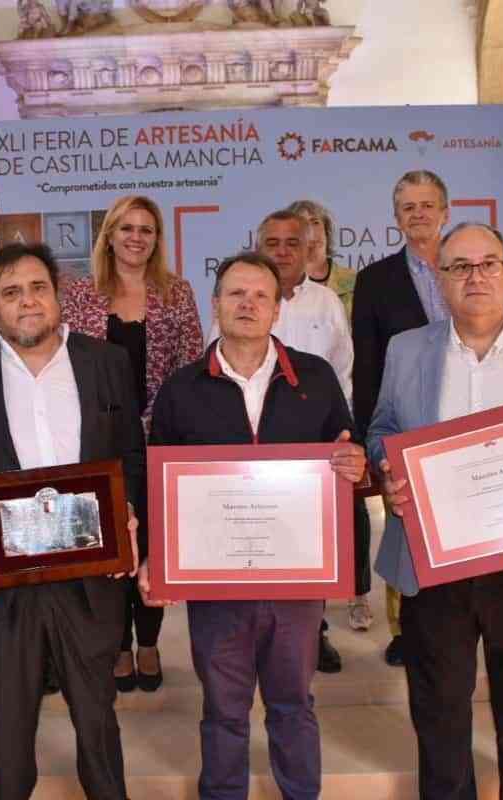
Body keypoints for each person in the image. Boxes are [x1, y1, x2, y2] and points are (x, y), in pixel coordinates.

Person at [0, 243, 145, 800]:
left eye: (38, 287)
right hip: (1, 582)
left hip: (89, 579)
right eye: (11, 292)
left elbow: (132, 458)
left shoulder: (106, 361)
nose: (27, 301)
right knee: (11, 741)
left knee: (98, 728)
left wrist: (130, 512)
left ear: (59, 296)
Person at [369, 222, 503, 799]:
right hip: (433, 564)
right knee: (439, 710)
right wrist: (390, 472)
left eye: (488, 263)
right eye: (460, 266)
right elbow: (382, 430)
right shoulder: (407, 348)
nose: (476, 276)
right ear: (439, 279)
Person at [142, 251, 365, 800]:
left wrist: (355, 464)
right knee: (223, 710)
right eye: (236, 293)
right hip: (216, 586)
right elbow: (160, 486)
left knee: (293, 703)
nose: (248, 304)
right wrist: (155, 556)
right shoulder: (181, 388)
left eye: (260, 295)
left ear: (276, 310)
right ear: (215, 304)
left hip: (296, 582)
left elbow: (347, 451)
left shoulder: (314, 377)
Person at [61, 195, 203, 692]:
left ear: (157, 239)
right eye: (127, 228)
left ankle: (148, 642)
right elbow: (68, 369)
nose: (136, 237)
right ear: (111, 235)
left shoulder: (177, 292)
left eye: (147, 229)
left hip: (158, 437)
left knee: (152, 544)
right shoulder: (80, 294)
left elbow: (191, 366)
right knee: (110, 545)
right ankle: (118, 644)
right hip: (99, 442)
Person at [207, 208, 353, 673]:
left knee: (301, 561)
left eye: (295, 242)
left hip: (304, 461)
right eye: (274, 242)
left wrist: (340, 435)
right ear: (259, 244)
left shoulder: (327, 301)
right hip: (242, 464)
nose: (285, 250)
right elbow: (214, 371)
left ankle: (316, 633)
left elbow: (343, 371)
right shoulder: (235, 306)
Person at [351, 169, 451, 666]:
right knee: (404, 524)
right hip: (405, 423)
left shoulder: (467, 268)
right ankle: (403, 627)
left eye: (428, 205)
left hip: (463, 423)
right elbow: (366, 365)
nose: (419, 214)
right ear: (396, 219)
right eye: (409, 207)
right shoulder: (375, 281)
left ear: (445, 212)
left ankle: (454, 619)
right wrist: (373, 436)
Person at [289, 198, 375, 633]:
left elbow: (351, 354)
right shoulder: (275, 286)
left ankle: (359, 591)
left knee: (352, 506)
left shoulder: (350, 283)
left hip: (340, 405)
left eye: (316, 225)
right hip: (293, 422)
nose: (310, 233)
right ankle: (314, 615)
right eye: (301, 227)